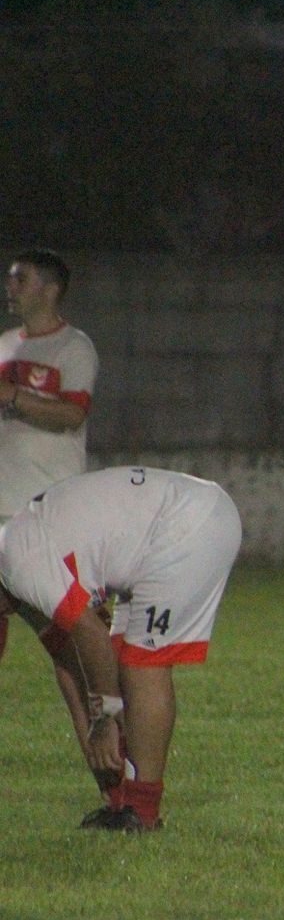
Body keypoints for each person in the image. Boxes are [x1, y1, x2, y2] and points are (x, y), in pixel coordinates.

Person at [0, 466, 242, 831]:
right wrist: (100, 762)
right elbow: (70, 664)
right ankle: (122, 803)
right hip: (167, 526)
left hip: (188, 521)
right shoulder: (13, 570)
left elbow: (90, 634)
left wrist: (105, 718)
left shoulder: (16, 563)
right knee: (118, 660)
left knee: (140, 665)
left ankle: (142, 811)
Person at [0, 248, 114, 806]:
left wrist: (15, 396)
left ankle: (120, 792)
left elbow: (73, 415)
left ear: (50, 288)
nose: (10, 286)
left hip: (48, 519)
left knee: (77, 667)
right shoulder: (1, 346)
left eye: (20, 279)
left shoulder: (75, 347)